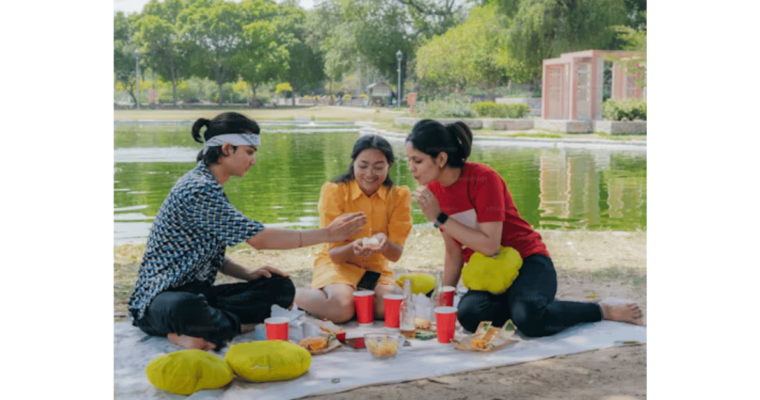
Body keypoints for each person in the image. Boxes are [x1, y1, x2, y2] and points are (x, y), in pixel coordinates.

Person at [127, 112, 366, 351]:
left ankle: (215, 326)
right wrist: (328, 234)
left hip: (201, 294)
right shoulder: (198, 189)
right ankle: (212, 329)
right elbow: (259, 239)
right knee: (187, 307)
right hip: (160, 301)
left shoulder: (211, 186)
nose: (253, 160)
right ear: (228, 149)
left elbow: (212, 256)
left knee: (280, 288)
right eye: (249, 152)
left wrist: (247, 274)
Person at [404, 119, 643, 337]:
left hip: (529, 262)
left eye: (418, 160)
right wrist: (446, 298)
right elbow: (453, 252)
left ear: (441, 159)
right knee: (468, 316)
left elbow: (490, 245)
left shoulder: (483, 178)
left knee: (529, 319)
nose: (411, 168)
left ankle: (601, 309)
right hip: (492, 275)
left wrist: (440, 217)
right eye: (409, 161)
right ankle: (533, 303)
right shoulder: (434, 191)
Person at [295, 134, 413, 323]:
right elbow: (334, 254)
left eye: (378, 167)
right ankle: (292, 294)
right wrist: (353, 248)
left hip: (374, 270)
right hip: (338, 265)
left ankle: (355, 300)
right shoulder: (335, 191)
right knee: (341, 309)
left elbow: (395, 254)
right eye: (363, 166)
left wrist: (384, 243)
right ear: (353, 163)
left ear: (389, 166)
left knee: (393, 307)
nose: (369, 174)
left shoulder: (399, 196)